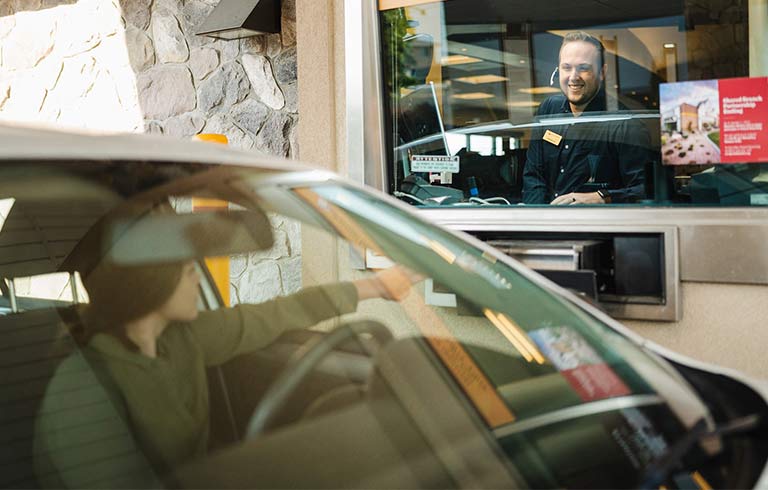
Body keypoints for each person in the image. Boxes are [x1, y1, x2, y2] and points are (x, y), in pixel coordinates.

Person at [34, 256, 416, 488]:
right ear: (153, 286)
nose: (198, 278)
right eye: (187, 271)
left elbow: (276, 314)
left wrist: (377, 286)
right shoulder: (82, 384)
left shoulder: (183, 337)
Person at [522, 31, 650, 205]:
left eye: (583, 68)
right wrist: (540, 219)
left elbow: (646, 190)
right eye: (566, 67)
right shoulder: (548, 110)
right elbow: (533, 177)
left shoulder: (625, 124)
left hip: (597, 228)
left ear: (602, 72)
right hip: (548, 226)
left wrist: (603, 197)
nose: (573, 77)